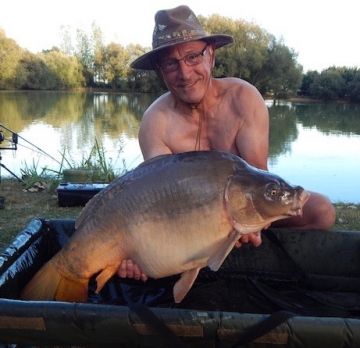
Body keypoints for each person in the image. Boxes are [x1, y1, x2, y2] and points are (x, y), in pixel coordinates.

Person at [118, 5, 336, 281]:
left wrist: (249, 226)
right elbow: (159, 205)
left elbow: (259, 178)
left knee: (321, 212)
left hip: (244, 208)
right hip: (186, 222)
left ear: (211, 55)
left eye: (192, 56)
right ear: (160, 72)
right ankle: (199, 258)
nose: (185, 74)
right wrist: (141, 256)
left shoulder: (244, 98)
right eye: (171, 64)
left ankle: (257, 253)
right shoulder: (155, 123)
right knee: (141, 257)